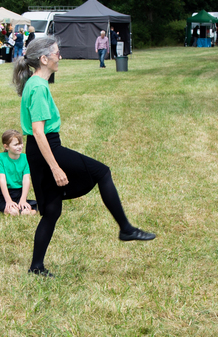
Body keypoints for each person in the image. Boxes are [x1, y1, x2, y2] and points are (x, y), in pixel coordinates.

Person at [14, 36, 155, 278]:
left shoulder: (35, 83)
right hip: (46, 148)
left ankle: (36, 267)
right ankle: (126, 229)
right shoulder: (37, 86)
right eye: (57, 53)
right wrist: (56, 167)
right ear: (44, 59)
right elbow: (38, 132)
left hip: (38, 151)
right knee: (102, 172)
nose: (60, 56)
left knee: (52, 211)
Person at [0, 130, 36, 216]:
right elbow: (2, 180)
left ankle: (30, 210)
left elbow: (26, 179)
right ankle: (15, 208)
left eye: (20, 143)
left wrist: (23, 199)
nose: (20, 147)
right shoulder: (0, 158)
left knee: (26, 212)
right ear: (6, 146)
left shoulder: (25, 158)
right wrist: (8, 201)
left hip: (19, 194)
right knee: (13, 212)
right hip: (3, 195)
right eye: (16, 145)